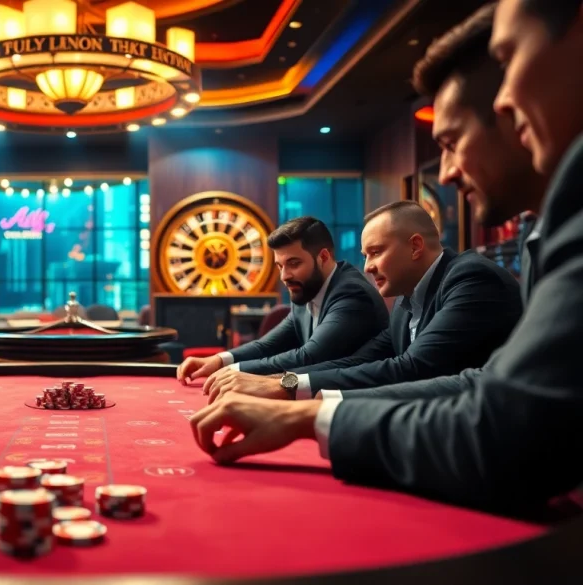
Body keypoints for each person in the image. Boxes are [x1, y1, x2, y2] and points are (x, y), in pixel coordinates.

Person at [189, 0, 583, 511]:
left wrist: (300, 407)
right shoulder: (528, 241)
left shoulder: (470, 279)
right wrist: (283, 392)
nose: (505, 100)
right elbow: (466, 379)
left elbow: (497, 422)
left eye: (510, 57)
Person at [323, 2, 548, 402]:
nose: (444, 173)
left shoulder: (471, 277)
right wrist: (287, 389)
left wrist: (310, 409)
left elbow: (422, 374)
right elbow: (499, 386)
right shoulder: (408, 302)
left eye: (450, 143)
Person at [204, 200, 522, 402]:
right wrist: (279, 380)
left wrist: (285, 386)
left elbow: (413, 369)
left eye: (376, 252)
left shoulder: (472, 279)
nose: (367, 266)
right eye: (365, 255)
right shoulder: (406, 299)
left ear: (414, 247)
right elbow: (360, 361)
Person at [176, 217, 388, 384]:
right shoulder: (307, 288)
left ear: (323, 257)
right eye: (280, 266)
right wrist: (219, 360)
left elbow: (309, 357)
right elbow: (267, 346)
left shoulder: (351, 292)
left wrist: (233, 371)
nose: (284, 276)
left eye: (294, 263)